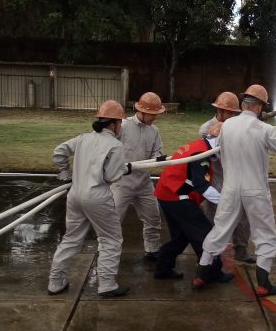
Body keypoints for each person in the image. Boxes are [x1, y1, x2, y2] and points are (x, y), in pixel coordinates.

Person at [197, 84, 276, 296]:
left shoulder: (228, 126)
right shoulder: (264, 130)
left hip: (231, 188)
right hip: (256, 190)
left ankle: (201, 274)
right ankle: (263, 283)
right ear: (260, 107)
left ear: (243, 104)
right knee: (265, 234)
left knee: (219, 230)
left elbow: (220, 153)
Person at [48, 100, 131, 298]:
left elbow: (59, 152)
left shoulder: (83, 138)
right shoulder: (115, 146)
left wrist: (65, 173)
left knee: (71, 239)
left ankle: (55, 282)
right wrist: (123, 169)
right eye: (120, 123)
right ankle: (107, 284)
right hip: (97, 198)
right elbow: (111, 177)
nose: (121, 127)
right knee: (111, 239)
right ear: (113, 124)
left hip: (75, 195)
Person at [152, 122, 234, 288]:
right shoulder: (201, 155)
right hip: (177, 197)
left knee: (181, 236)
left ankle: (163, 266)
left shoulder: (198, 146)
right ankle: (212, 272)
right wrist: (228, 204)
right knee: (205, 235)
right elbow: (202, 186)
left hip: (166, 193)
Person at [198, 92, 255, 264]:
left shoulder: (238, 127)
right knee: (213, 216)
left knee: (243, 216)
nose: (231, 116)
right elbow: (208, 156)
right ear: (219, 111)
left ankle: (241, 249)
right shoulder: (206, 128)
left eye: (233, 113)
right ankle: (207, 252)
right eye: (228, 112)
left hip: (237, 177)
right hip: (217, 178)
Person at [114, 92, 167, 261]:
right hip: (121, 183)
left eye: (156, 115)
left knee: (153, 217)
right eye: (152, 115)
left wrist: (159, 157)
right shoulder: (122, 126)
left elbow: (157, 152)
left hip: (144, 183)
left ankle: (152, 250)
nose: (154, 118)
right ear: (141, 112)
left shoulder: (154, 131)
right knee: (113, 221)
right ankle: (108, 253)